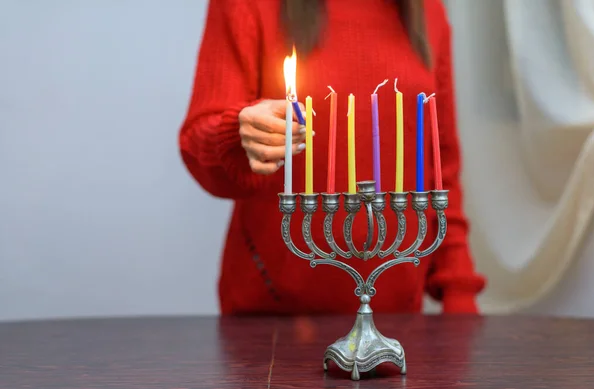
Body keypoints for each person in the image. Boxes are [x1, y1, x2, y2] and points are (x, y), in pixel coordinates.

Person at [179, 0, 486, 315]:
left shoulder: (427, 10)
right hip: (271, 320)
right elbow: (196, 141)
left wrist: (457, 289)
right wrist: (238, 134)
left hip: (395, 319)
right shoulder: (246, 5)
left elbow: (441, 167)